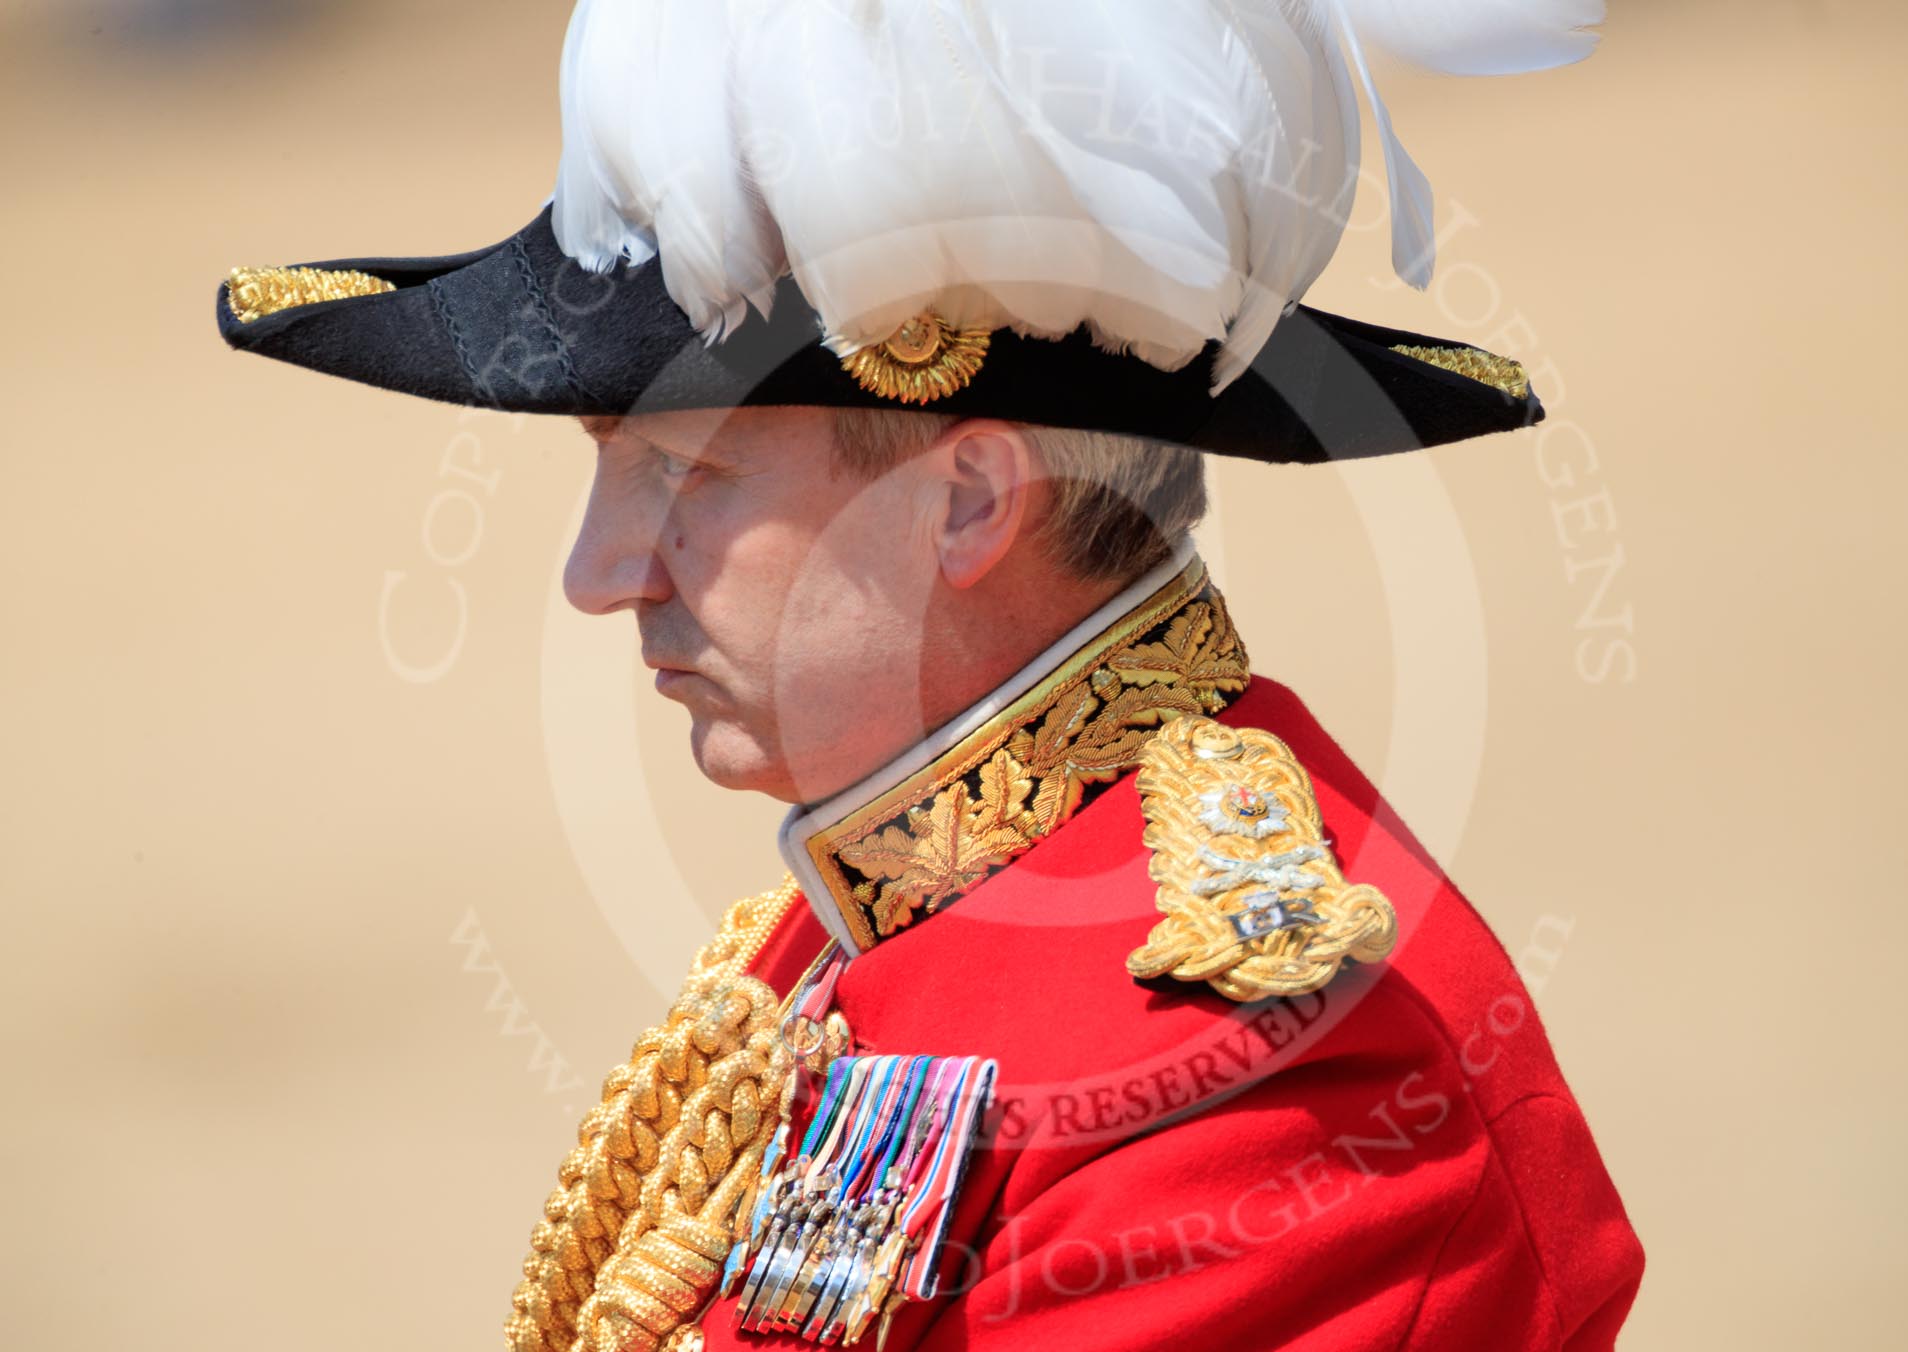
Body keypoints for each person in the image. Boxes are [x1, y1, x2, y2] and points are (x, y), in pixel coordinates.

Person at [216, 2, 1641, 1348]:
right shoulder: (880, 901)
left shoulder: (1262, 1075)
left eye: (686, 473)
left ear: (969, 501)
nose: (600, 575)